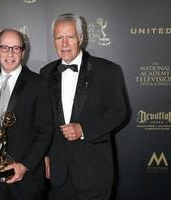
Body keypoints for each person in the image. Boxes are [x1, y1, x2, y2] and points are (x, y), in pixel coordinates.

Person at [40, 13, 128, 200]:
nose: (64, 44)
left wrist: (83, 129)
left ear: (81, 38)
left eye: (70, 37)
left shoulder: (108, 70)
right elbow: (45, 120)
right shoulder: (46, 73)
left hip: (94, 173)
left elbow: (118, 112)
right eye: (59, 38)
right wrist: (46, 154)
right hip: (59, 173)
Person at [0, 29, 53, 200]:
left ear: (23, 53)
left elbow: (45, 131)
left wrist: (25, 165)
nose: (10, 53)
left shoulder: (39, 84)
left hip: (27, 182)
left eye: (16, 48)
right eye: (4, 48)